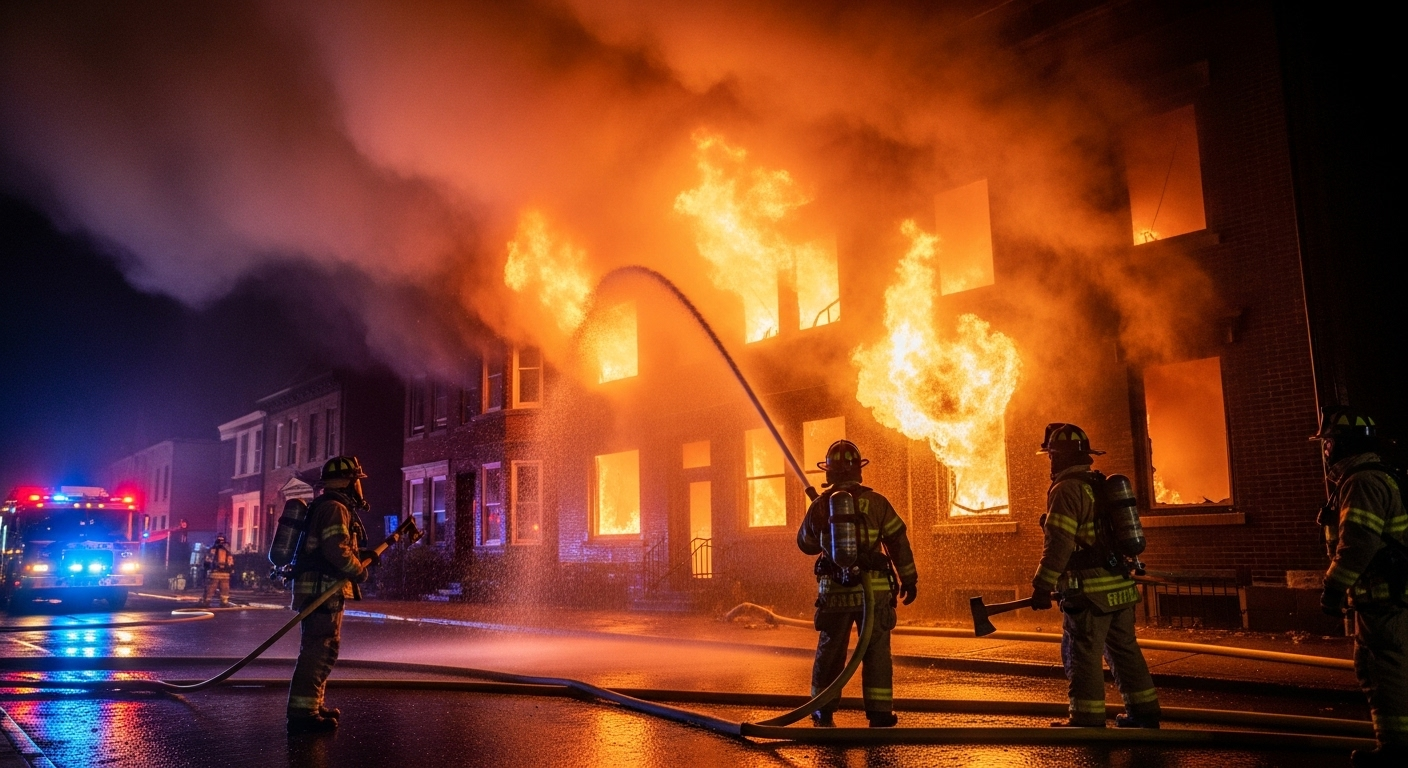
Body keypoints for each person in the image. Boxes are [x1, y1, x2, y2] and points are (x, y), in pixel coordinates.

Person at [1030, 423, 1160, 728]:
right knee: (1125, 651)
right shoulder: (1099, 485)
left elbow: (1058, 544)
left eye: (1051, 456)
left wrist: (1042, 586)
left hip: (1090, 594)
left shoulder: (1066, 490)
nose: (1050, 462)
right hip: (1120, 588)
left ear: (1059, 457)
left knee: (1083, 653)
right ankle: (1145, 713)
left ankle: (1085, 718)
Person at [797, 440, 918, 728]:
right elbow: (898, 543)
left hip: (835, 593)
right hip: (873, 594)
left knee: (831, 651)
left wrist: (821, 521)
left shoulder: (821, 504)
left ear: (829, 471)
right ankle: (879, 712)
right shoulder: (877, 503)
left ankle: (822, 709)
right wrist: (909, 579)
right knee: (875, 651)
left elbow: (806, 545)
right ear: (858, 469)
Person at [1314, 407, 1407, 767]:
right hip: (1391, 596)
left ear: (1342, 445)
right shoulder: (1373, 476)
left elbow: (1357, 546)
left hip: (1384, 598)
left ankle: (1395, 750)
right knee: (1389, 667)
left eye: (1328, 443)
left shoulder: (1362, 482)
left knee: (1383, 671)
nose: (1325, 451)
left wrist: (1332, 588)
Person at [287, 455, 375, 735]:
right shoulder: (336, 508)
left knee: (319, 649)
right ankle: (304, 713)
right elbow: (335, 550)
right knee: (319, 650)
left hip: (318, 588)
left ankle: (312, 704)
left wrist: (362, 554)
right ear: (348, 482)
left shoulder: (326, 506)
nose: (359, 488)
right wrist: (358, 569)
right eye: (356, 481)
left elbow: (330, 546)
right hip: (322, 589)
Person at [202, 534, 234, 607]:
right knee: (222, 588)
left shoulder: (213, 549)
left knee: (214, 587)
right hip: (221, 572)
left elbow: (208, 560)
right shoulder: (226, 549)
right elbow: (230, 560)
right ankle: (223, 602)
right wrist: (231, 569)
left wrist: (206, 568)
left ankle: (207, 601)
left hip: (217, 572)